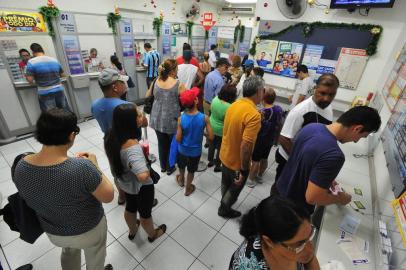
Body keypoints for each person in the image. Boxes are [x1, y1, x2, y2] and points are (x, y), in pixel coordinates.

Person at [13, 108, 114, 270]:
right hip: (88, 230)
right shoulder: (82, 168)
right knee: (95, 255)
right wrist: (95, 166)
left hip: (54, 232)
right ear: (71, 135)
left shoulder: (21, 166)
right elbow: (108, 196)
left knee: (69, 252)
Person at [276, 106, 381, 216]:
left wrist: (323, 178)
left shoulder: (312, 127)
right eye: (361, 137)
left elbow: (305, 160)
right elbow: (313, 197)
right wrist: (341, 198)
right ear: (357, 129)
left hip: (280, 190)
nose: (356, 141)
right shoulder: (334, 155)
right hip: (293, 209)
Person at [104, 103, 166, 242]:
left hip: (126, 183)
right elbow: (143, 176)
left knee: (130, 207)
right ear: (130, 122)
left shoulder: (111, 134)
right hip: (141, 187)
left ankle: (132, 231)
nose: (141, 116)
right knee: (145, 214)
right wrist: (142, 165)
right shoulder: (132, 147)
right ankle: (152, 234)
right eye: (138, 115)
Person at [91, 68, 150, 206]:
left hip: (109, 143)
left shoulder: (95, 105)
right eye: (122, 82)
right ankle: (138, 197)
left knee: (116, 170)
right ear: (115, 87)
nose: (125, 85)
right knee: (134, 171)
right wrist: (141, 116)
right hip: (128, 144)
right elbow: (144, 124)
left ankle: (122, 196)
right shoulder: (127, 106)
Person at [272, 74, 339, 194]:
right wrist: (303, 162)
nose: (326, 99)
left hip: (305, 161)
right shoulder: (300, 110)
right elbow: (284, 139)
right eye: (322, 93)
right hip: (289, 159)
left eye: (331, 95)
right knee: (280, 189)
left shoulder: (328, 108)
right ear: (315, 89)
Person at [230, 196, 320, 270]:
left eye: (310, 234)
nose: (310, 248)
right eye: (299, 243)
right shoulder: (249, 266)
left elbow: (309, 256)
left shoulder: (298, 236)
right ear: (269, 242)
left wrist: (310, 258)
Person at [218, 76, 264, 218]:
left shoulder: (234, 104)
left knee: (225, 181)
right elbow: (246, 147)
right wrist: (244, 169)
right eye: (263, 90)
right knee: (235, 187)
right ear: (257, 92)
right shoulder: (253, 115)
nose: (263, 93)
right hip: (237, 163)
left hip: (224, 154)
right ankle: (224, 209)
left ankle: (223, 200)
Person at [147, 59, 186, 175]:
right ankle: (170, 167)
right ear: (173, 71)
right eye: (177, 68)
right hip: (171, 119)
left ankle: (163, 166)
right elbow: (186, 102)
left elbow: (148, 95)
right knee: (172, 144)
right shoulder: (178, 84)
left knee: (161, 143)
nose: (178, 70)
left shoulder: (156, 80)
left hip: (156, 117)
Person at [175, 87, 214, 195]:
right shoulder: (204, 118)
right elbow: (211, 137)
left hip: (182, 150)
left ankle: (181, 180)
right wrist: (202, 132)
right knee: (191, 170)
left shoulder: (181, 119)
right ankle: (188, 188)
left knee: (181, 166)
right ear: (196, 101)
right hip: (195, 152)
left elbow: (178, 139)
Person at [247, 87, 284, 188]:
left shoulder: (261, 113)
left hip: (260, 139)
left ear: (263, 97)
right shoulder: (279, 109)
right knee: (264, 158)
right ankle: (259, 176)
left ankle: (250, 179)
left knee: (255, 160)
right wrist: (277, 139)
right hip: (270, 139)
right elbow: (280, 124)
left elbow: (255, 128)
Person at [25, 43, 70, 112]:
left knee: (51, 114)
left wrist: (26, 74)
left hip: (45, 92)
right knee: (64, 111)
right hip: (59, 89)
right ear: (42, 50)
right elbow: (63, 75)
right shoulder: (54, 60)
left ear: (33, 52)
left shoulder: (31, 62)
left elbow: (30, 80)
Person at [208, 84, 237, 172]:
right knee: (221, 148)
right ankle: (217, 165)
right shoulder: (230, 107)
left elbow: (210, 111)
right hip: (222, 130)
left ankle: (210, 161)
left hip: (212, 126)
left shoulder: (215, 99)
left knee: (211, 145)